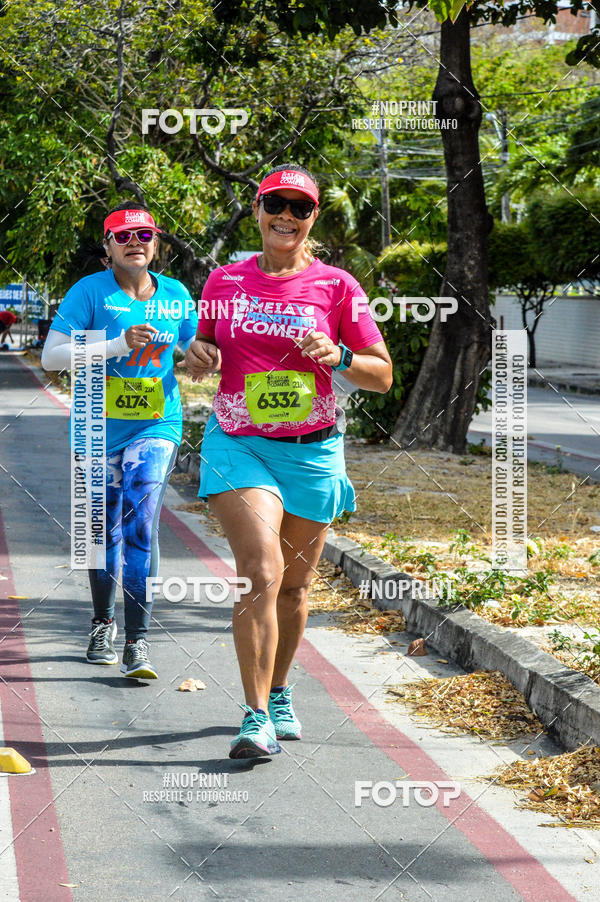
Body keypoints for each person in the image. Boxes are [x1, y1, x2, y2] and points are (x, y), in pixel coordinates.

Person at [185, 164, 392, 758]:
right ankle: (254, 718)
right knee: (261, 569)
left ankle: (278, 691)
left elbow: (380, 375)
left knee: (295, 589)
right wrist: (195, 352)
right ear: (257, 210)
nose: (286, 215)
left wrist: (339, 353)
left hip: (313, 450)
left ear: (312, 218)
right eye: (275, 203)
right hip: (239, 442)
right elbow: (202, 351)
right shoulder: (224, 282)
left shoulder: (337, 286)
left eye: (299, 208)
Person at [42, 202, 198, 679]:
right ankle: (101, 622)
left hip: (157, 424)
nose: (136, 242)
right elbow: (52, 358)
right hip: (95, 426)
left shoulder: (175, 295)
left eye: (145, 235)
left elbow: (194, 350)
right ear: (108, 247)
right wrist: (115, 345)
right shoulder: (88, 292)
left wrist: (203, 358)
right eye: (123, 236)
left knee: (140, 518)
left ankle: (138, 641)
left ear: (157, 245)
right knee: (99, 533)